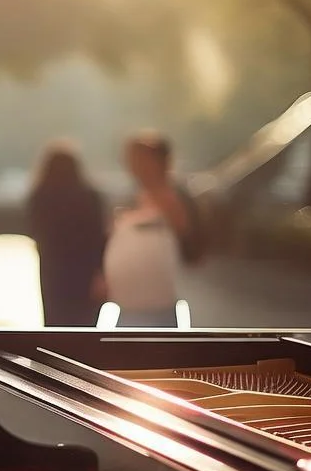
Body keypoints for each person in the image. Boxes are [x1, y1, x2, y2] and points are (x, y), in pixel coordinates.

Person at [101, 133, 192, 328]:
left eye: (139, 159)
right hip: (127, 307)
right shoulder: (131, 195)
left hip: (156, 309)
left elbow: (187, 239)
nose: (132, 165)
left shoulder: (171, 197)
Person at [26, 142, 106, 327]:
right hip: (85, 271)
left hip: (53, 271)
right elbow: (99, 237)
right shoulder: (90, 197)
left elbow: (34, 232)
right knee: (85, 326)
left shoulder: (39, 197)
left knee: (55, 324)